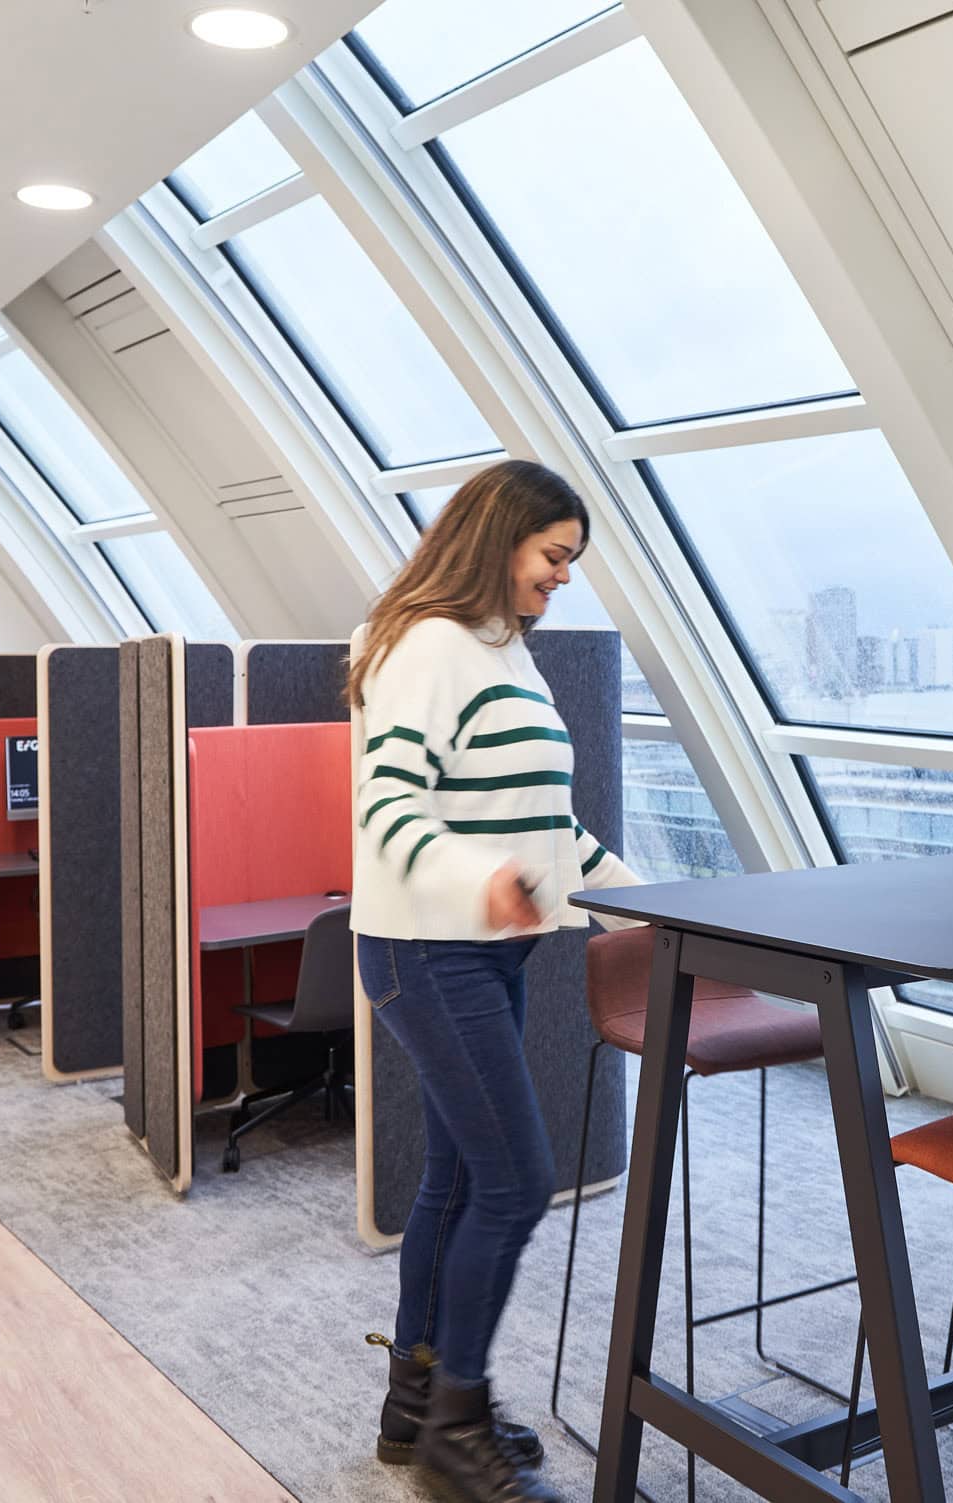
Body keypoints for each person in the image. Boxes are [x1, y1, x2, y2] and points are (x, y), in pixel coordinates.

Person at [348, 459, 645, 1503]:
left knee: (462, 1177)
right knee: (517, 1180)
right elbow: (387, 805)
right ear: (498, 540)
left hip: (485, 948)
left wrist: (654, 896)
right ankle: (455, 1429)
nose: (563, 577)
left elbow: (543, 827)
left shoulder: (503, 651)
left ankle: (416, 1405)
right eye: (553, 556)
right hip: (427, 949)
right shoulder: (428, 647)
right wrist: (481, 882)